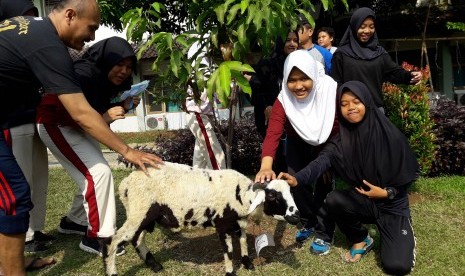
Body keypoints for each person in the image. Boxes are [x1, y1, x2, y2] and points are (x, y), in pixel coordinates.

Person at [0, 1, 161, 274]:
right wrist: (127, 151)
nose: (92, 37)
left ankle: (11, 262)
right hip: (50, 124)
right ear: (70, 15)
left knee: (12, 196)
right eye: (92, 28)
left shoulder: (33, 31)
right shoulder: (50, 47)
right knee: (14, 196)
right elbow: (80, 114)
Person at [279, 81, 418, 275]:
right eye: (344, 104)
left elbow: (408, 175)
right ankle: (361, 238)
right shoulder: (340, 142)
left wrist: (386, 192)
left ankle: (401, 232)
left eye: (356, 102)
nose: (350, 108)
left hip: (392, 206)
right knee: (334, 199)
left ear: (367, 103)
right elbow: (320, 163)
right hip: (364, 201)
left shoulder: (390, 136)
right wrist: (297, 179)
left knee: (397, 266)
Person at [37, 36, 142, 255]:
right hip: (56, 123)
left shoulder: (101, 77)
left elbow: (95, 107)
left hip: (76, 125)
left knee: (93, 171)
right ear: (106, 60)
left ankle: (74, 221)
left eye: (129, 67)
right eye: (119, 64)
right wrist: (104, 117)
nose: (124, 71)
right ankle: (98, 238)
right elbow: (76, 116)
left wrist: (122, 105)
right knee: (98, 173)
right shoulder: (83, 74)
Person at [255, 50, 338, 244]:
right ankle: (308, 220)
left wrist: (325, 160)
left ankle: (324, 229)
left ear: (313, 76)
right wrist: (266, 166)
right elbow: (273, 133)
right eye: (292, 80)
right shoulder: (283, 99)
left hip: (326, 143)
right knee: (295, 177)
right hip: (296, 141)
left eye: (304, 79)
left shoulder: (328, 90)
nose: (298, 86)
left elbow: (334, 127)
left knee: (323, 181)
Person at [0, 0, 55, 254]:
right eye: (25, 17)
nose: (30, 23)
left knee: (40, 178)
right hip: (12, 121)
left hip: (35, 118)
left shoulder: (32, 46)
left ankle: (37, 228)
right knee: (21, 181)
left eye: (34, 16)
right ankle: (27, 236)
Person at [331, 7, 422, 109]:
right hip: (351, 111)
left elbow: (394, 72)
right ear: (354, 27)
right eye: (362, 26)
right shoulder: (341, 54)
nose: (367, 31)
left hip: (375, 110)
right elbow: (335, 84)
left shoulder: (379, 53)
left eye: (371, 26)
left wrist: (410, 75)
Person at [247, 30, 299, 173]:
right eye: (288, 40)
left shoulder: (299, 63)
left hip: (294, 119)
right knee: (276, 157)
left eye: (295, 40)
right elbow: (255, 88)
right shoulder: (267, 63)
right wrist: (266, 106)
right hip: (270, 118)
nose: (292, 44)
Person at [185, 85, 226, 170]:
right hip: (198, 114)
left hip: (203, 115)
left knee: (201, 158)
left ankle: (197, 181)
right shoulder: (199, 73)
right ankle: (220, 181)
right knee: (216, 156)